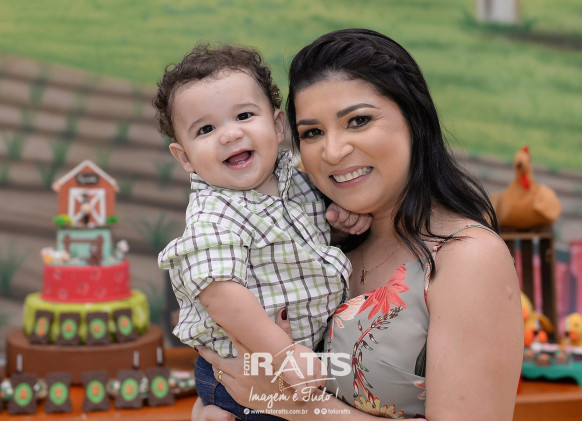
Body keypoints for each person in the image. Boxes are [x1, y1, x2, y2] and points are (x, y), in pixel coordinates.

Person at [194, 28, 524, 420]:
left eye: (358, 120)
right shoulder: (316, 244)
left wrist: (296, 405)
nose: (333, 152)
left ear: (414, 118)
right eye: (313, 133)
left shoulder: (467, 258)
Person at [153, 43, 371, 420]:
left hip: (302, 357)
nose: (229, 134)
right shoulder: (214, 216)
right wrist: (284, 355)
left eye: (244, 115)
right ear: (185, 156)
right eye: (206, 129)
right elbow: (222, 297)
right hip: (250, 365)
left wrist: (339, 226)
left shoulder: (297, 182)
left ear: (277, 125)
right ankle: (215, 408)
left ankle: (207, 411)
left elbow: (307, 245)